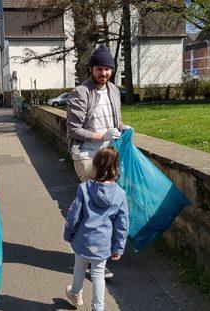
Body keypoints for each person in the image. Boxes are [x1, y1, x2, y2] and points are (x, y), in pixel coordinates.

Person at [66, 44, 131, 278]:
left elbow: (116, 119)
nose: (103, 73)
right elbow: (74, 129)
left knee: (103, 208)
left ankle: (93, 256)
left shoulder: (113, 90)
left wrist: (122, 128)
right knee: (92, 207)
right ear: (91, 69)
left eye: (107, 69)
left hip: (107, 155)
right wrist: (101, 136)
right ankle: (93, 261)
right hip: (85, 154)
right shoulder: (80, 93)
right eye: (99, 69)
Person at [63, 147, 129, 311]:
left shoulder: (84, 188)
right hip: (102, 243)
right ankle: (97, 308)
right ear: (116, 168)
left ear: (96, 166)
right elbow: (122, 224)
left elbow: (74, 216)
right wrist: (118, 247)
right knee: (98, 274)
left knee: (79, 266)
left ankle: (75, 293)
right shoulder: (120, 194)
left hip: (82, 240)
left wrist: (68, 234)